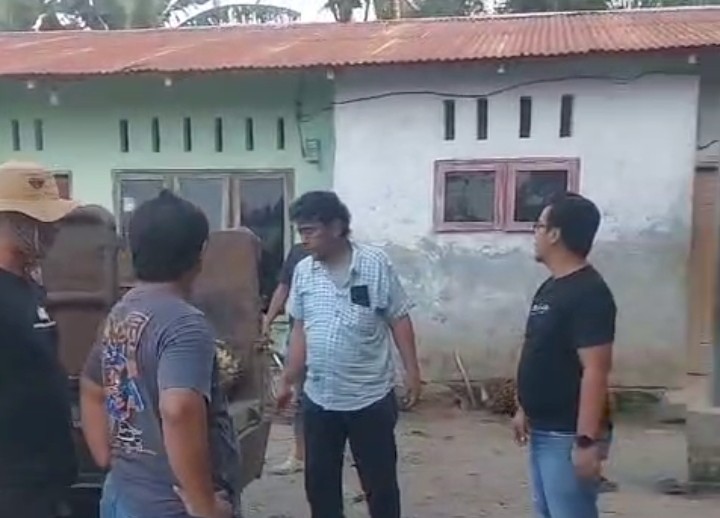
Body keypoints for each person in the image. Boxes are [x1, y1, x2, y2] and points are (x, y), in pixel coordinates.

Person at [80, 190, 240, 518]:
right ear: (199, 253)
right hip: (168, 507)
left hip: (122, 493)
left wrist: (106, 458)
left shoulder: (121, 313)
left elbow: (92, 388)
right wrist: (205, 507)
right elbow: (178, 409)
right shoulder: (184, 323)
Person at [277, 190, 422, 518]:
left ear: (337, 227)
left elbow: (398, 317)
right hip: (319, 397)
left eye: (310, 231)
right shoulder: (304, 271)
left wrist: (412, 372)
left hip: (370, 397)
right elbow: (300, 328)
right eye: (300, 232)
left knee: (380, 485)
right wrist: (287, 379)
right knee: (320, 486)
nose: (304, 240)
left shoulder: (374, 264)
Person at [513, 192, 616, 518]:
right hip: (542, 428)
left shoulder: (590, 294)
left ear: (555, 234)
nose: (535, 233)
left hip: (567, 432)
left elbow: (595, 370)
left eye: (538, 226)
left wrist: (586, 441)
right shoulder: (551, 287)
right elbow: (538, 349)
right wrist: (523, 407)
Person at [0, 161, 79, 518]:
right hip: (12, 484)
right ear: (8, 221)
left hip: (46, 479)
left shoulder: (30, 287)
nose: (53, 229)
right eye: (41, 221)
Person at [262, 242, 309, 475]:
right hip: (300, 333)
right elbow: (283, 287)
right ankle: (299, 455)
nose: (307, 235)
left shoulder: (343, 257)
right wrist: (268, 320)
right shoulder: (298, 253)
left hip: (332, 339)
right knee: (299, 396)